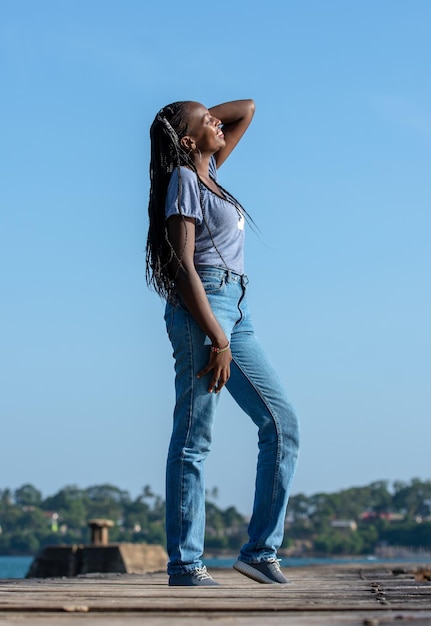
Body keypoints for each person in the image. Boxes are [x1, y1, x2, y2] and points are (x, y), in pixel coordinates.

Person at [145, 99, 299, 587]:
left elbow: (246, 109)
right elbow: (183, 267)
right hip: (203, 310)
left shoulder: (208, 171)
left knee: (282, 425)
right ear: (188, 143)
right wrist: (217, 336)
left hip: (239, 308)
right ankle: (186, 565)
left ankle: (259, 552)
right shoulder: (185, 182)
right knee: (194, 438)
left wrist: (192, 121)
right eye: (206, 122)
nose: (218, 121)